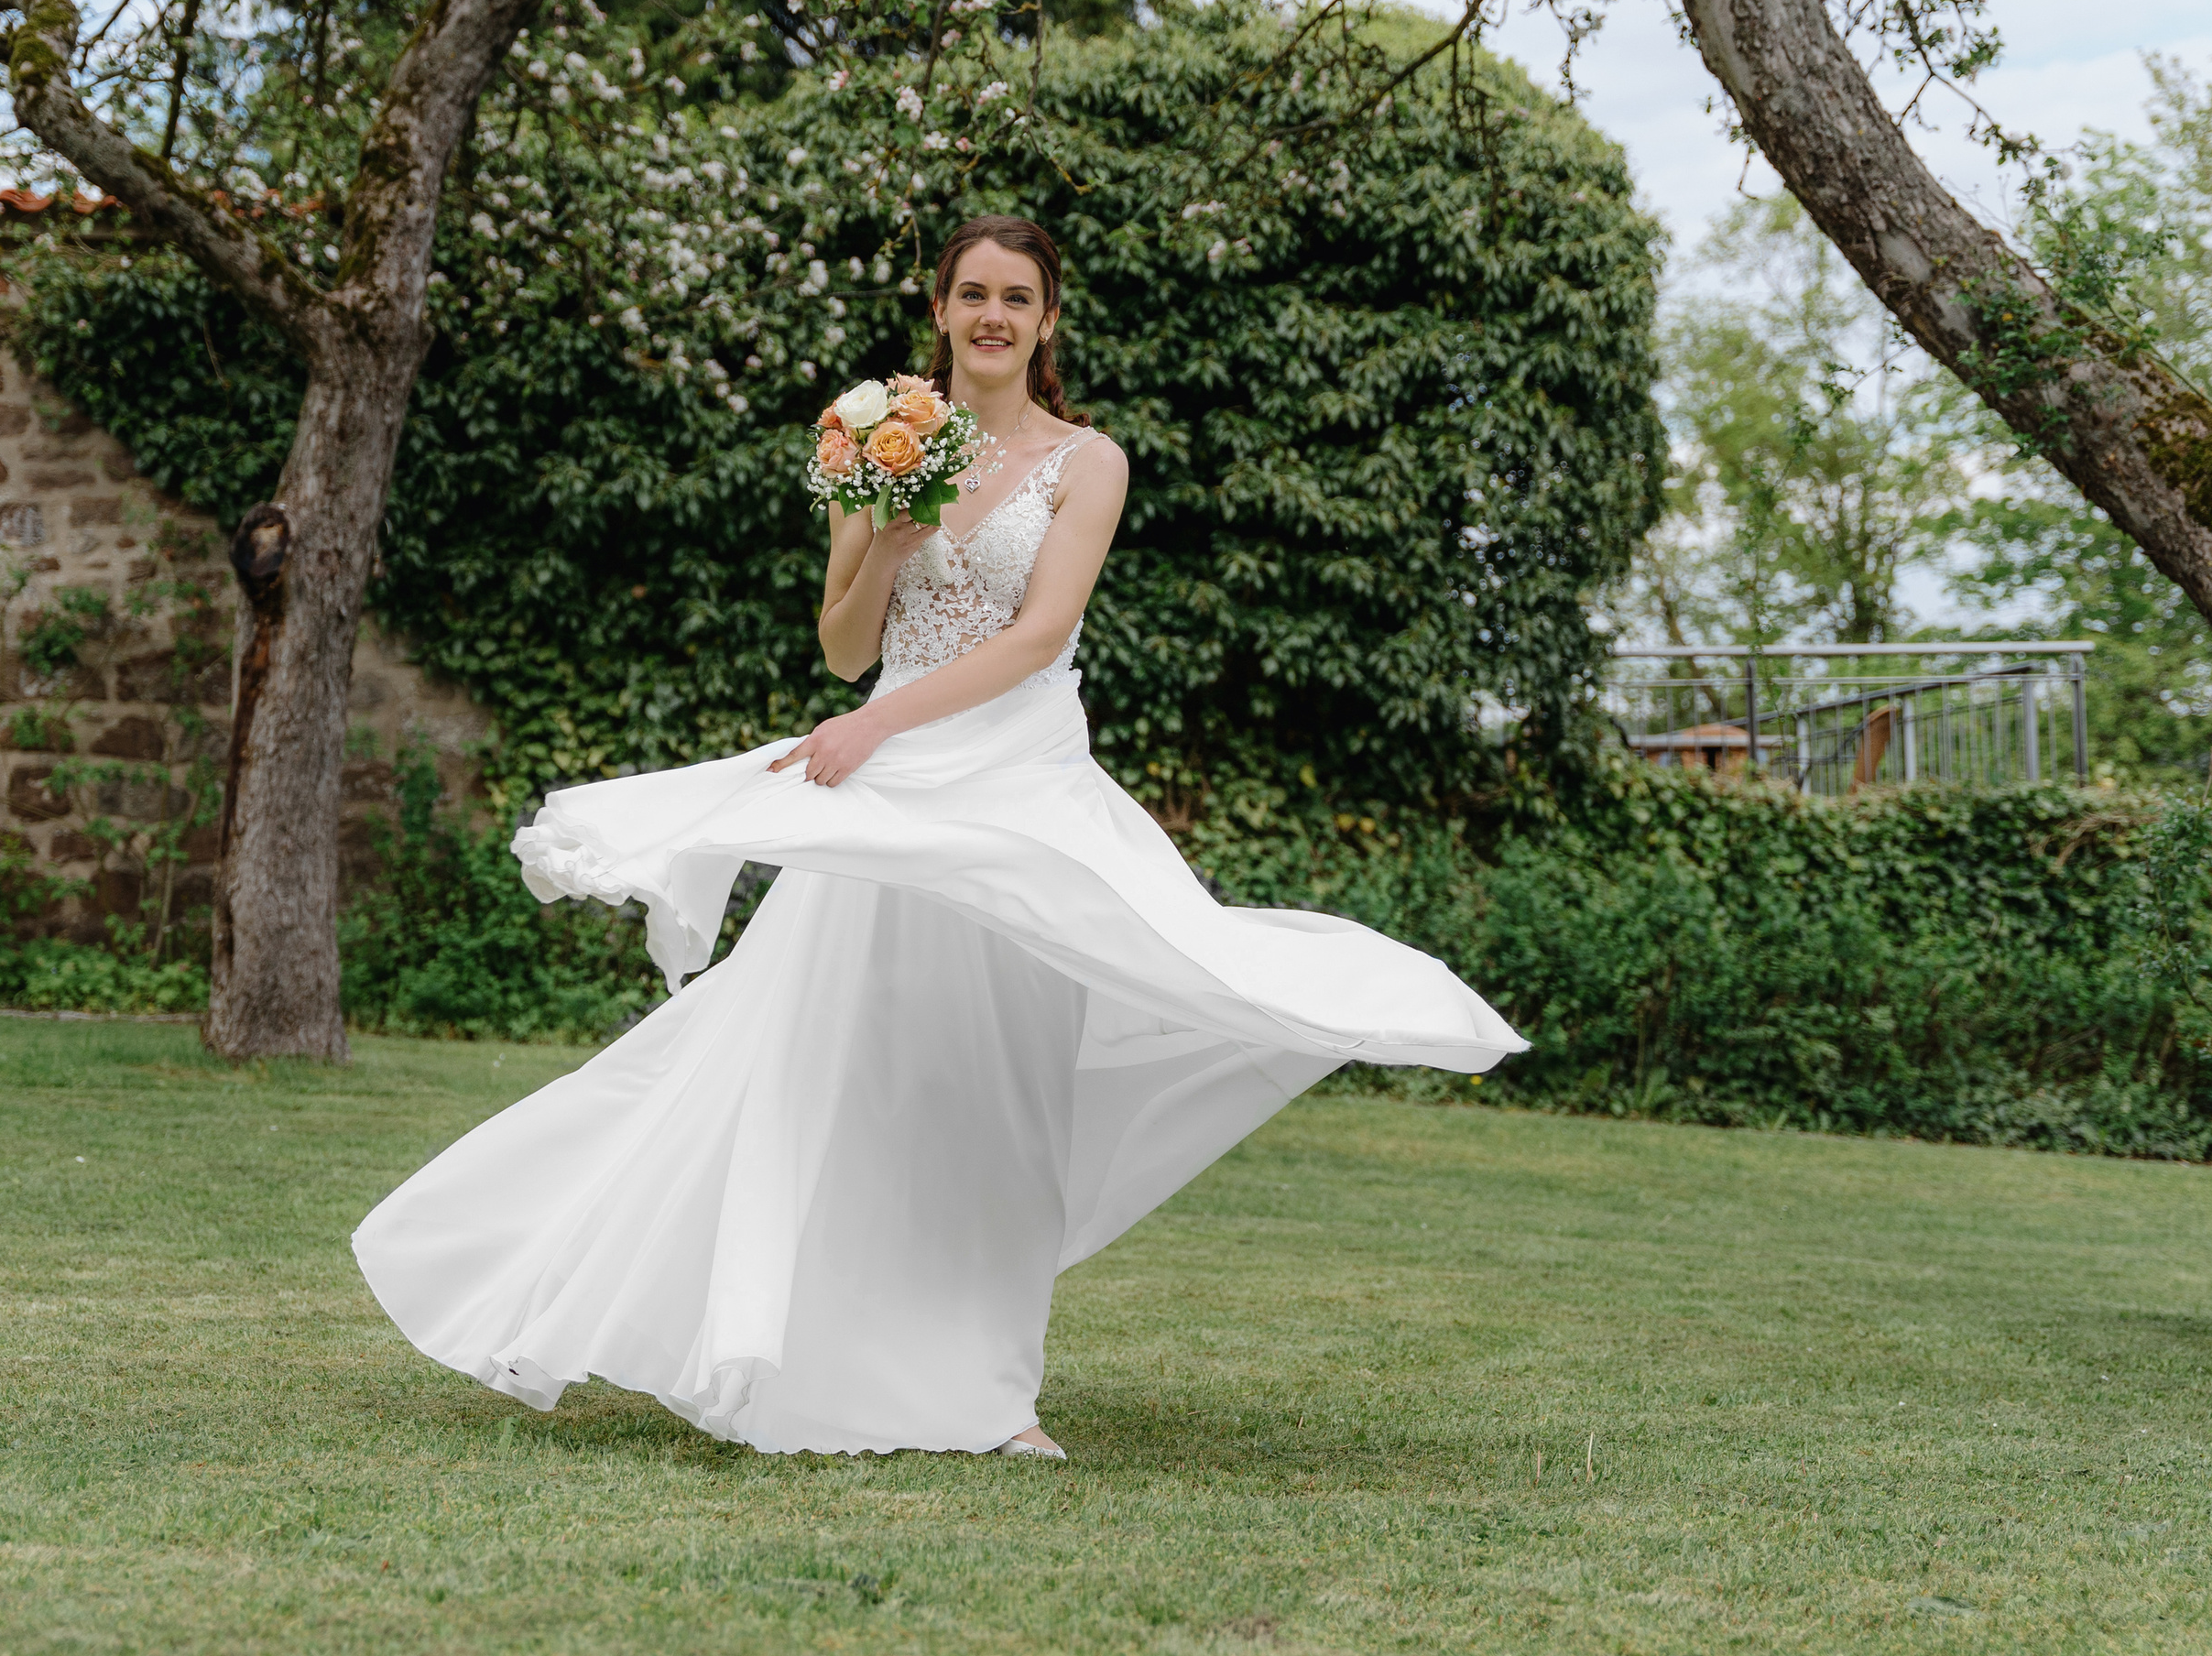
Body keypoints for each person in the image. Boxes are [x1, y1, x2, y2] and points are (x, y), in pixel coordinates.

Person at [352, 215, 1524, 1461]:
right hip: (888, 784)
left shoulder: (1090, 462)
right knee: (837, 1071)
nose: (994, 316)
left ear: (1048, 319)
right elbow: (844, 647)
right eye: (973, 293)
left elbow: (1036, 634)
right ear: (942, 307)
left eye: (1018, 297)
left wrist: (876, 729)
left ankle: (994, 1395)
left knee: (1003, 1096)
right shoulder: (874, 443)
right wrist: (889, 545)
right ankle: (807, 1360)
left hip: (1013, 784)